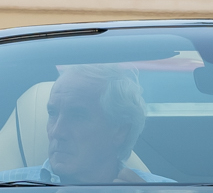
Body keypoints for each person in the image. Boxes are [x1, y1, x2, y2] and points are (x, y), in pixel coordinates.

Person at [20, 66, 170, 183]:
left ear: (119, 131)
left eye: (77, 116)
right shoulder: (3, 192)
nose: (56, 132)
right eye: (52, 113)